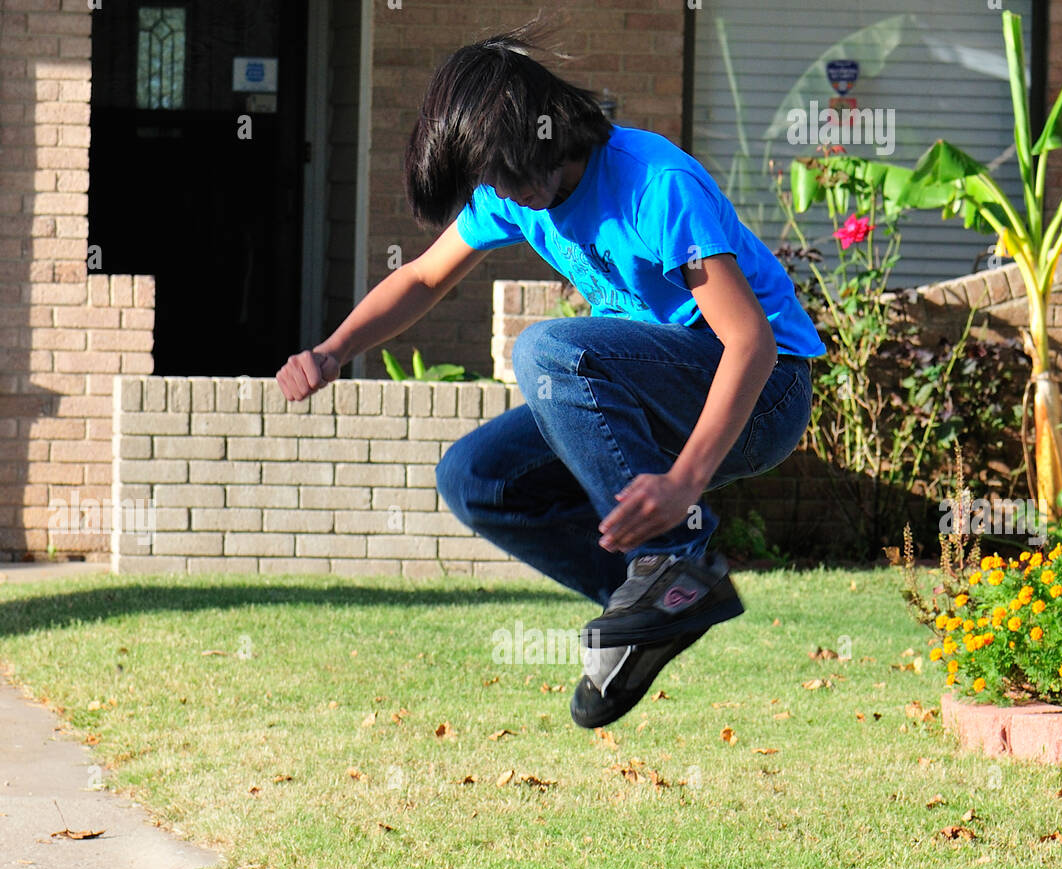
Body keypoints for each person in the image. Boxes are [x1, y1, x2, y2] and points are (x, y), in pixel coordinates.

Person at [277, 21, 825, 727]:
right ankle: (650, 611)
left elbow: (751, 342)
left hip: (762, 395)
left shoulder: (655, 185)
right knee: (476, 478)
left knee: (549, 350)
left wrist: (684, 484)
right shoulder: (509, 186)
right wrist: (331, 351)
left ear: (546, 139)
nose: (506, 200)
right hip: (657, 392)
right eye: (491, 186)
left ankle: (673, 564)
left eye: (508, 180)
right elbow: (420, 278)